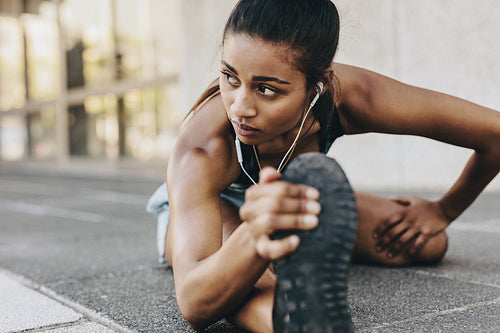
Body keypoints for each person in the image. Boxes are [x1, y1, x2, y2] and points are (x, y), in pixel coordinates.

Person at [146, 0, 500, 332]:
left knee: (427, 243)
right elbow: (194, 302)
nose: (240, 106)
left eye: (267, 90)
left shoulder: (353, 96)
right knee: (234, 279)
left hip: (287, 202)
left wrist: (444, 209)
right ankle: (294, 318)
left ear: (318, 85)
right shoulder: (201, 149)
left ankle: (286, 257)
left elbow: (495, 134)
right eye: (230, 76)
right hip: (212, 211)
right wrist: (255, 234)